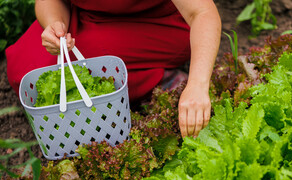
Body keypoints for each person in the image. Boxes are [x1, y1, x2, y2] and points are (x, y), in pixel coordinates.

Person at [6, 0, 221, 138]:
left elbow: (202, 13)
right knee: (26, 70)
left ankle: (161, 80)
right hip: (87, 16)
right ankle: (143, 78)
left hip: (158, 23)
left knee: (89, 63)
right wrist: (54, 24)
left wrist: (198, 85)